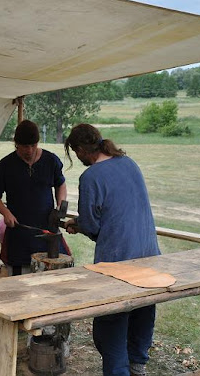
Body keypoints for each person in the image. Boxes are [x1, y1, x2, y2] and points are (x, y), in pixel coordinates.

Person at [63, 123, 161, 376]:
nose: (78, 158)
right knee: (142, 310)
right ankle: (137, 365)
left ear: (82, 149)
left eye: (76, 153)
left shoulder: (91, 177)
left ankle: (120, 371)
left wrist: (79, 225)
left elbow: (93, 226)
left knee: (110, 326)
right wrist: (84, 223)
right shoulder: (129, 163)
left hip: (119, 261)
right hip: (150, 255)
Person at [0, 120, 68, 275]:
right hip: (19, 230)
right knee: (19, 277)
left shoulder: (51, 161)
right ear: (16, 144)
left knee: (50, 274)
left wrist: (60, 204)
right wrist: (6, 213)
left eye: (33, 145)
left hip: (47, 229)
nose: (29, 150)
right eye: (24, 146)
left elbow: (61, 184)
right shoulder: (5, 165)